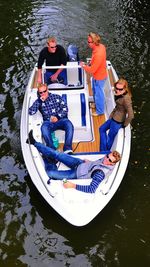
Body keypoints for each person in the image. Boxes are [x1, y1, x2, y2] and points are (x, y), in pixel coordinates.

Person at [26, 130, 121, 194]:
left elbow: (92, 189)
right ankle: (33, 142)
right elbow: (98, 164)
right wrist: (89, 162)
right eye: (107, 156)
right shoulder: (105, 159)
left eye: (109, 160)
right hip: (81, 163)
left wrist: (73, 185)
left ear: (112, 164)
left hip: (76, 173)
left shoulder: (100, 174)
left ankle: (48, 159)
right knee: (58, 154)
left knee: (50, 173)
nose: (106, 159)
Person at [29, 83, 74, 153]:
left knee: (69, 125)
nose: (43, 93)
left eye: (44, 91)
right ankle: (52, 150)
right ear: (39, 93)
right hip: (48, 122)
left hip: (60, 120)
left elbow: (65, 108)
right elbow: (31, 112)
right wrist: (39, 101)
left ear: (48, 90)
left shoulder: (56, 97)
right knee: (44, 128)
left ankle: (67, 149)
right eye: (41, 92)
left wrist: (57, 117)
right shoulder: (38, 101)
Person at [99, 78, 134, 151]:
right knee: (101, 129)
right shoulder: (118, 93)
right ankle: (103, 149)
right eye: (117, 88)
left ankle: (104, 152)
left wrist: (124, 125)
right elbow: (118, 106)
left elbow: (131, 115)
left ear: (125, 89)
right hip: (113, 117)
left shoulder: (126, 99)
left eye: (120, 89)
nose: (117, 90)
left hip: (117, 122)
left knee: (110, 138)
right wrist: (111, 115)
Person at [80, 32, 107, 116]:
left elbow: (92, 70)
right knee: (95, 91)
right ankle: (96, 104)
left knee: (99, 94)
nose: (87, 43)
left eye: (89, 42)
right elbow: (94, 60)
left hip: (99, 77)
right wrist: (90, 63)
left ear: (94, 42)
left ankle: (100, 111)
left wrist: (83, 66)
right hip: (98, 75)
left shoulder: (98, 54)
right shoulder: (101, 46)